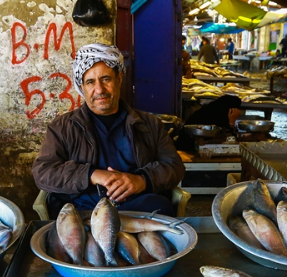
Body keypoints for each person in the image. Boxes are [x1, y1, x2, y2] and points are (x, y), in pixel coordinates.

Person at [32, 44, 185, 217]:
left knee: (161, 207)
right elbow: (43, 171)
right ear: (82, 87)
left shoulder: (149, 124)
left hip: (137, 206)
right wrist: (91, 174)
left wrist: (141, 180)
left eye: (106, 79)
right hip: (84, 209)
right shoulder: (62, 127)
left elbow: (174, 166)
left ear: (119, 79)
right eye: (90, 82)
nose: (99, 90)